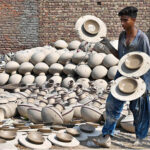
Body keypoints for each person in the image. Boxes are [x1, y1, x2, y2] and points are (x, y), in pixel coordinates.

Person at [93, 6, 150, 148]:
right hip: (122, 75)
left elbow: (147, 61)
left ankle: (140, 137)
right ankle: (107, 136)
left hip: (138, 77)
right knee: (112, 104)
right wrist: (107, 46)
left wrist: (146, 85)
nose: (122, 23)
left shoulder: (142, 38)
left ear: (133, 20)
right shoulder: (122, 36)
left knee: (138, 108)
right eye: (121, 20)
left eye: (125, 20)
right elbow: (121, 56)